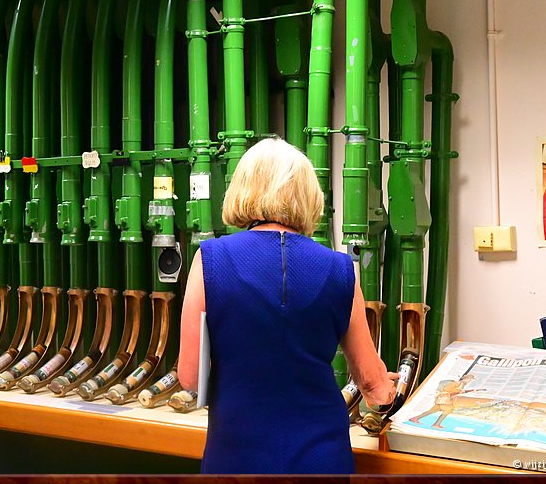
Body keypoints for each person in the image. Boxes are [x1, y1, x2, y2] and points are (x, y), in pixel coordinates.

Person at [178, 138, 397, 475]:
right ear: (309, 196)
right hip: (321, 460)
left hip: (236, 459)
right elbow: (373, 386)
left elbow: (190, 376)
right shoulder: (340, 270)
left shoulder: (210, 260)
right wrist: (384, 387)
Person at [408, 374, 484, 429]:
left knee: (433, 410)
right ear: (466, 378)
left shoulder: (461, 385)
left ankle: (416, 418)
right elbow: (448, 390)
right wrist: (459, 391)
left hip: (444, 399)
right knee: (448, 410)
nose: (469, 381)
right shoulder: (455, 383)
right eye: (469, 379)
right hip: (444, 399)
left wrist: (471, 390)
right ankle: (436, 424)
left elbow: (459, 391)